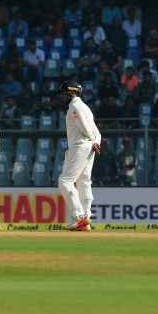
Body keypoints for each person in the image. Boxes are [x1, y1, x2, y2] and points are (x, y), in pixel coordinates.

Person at [57, 81, 101, 232]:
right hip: (88, 146)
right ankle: (86, 221)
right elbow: (96, 131)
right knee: (84, 182)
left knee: (65, 181)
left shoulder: (74, 106)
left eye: (64, 93)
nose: (62, 96)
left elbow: (84, 127)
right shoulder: (86, 108)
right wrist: (95, 141)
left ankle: (80, 216)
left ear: (72, 92)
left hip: (80, 146)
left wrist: (91, 139)